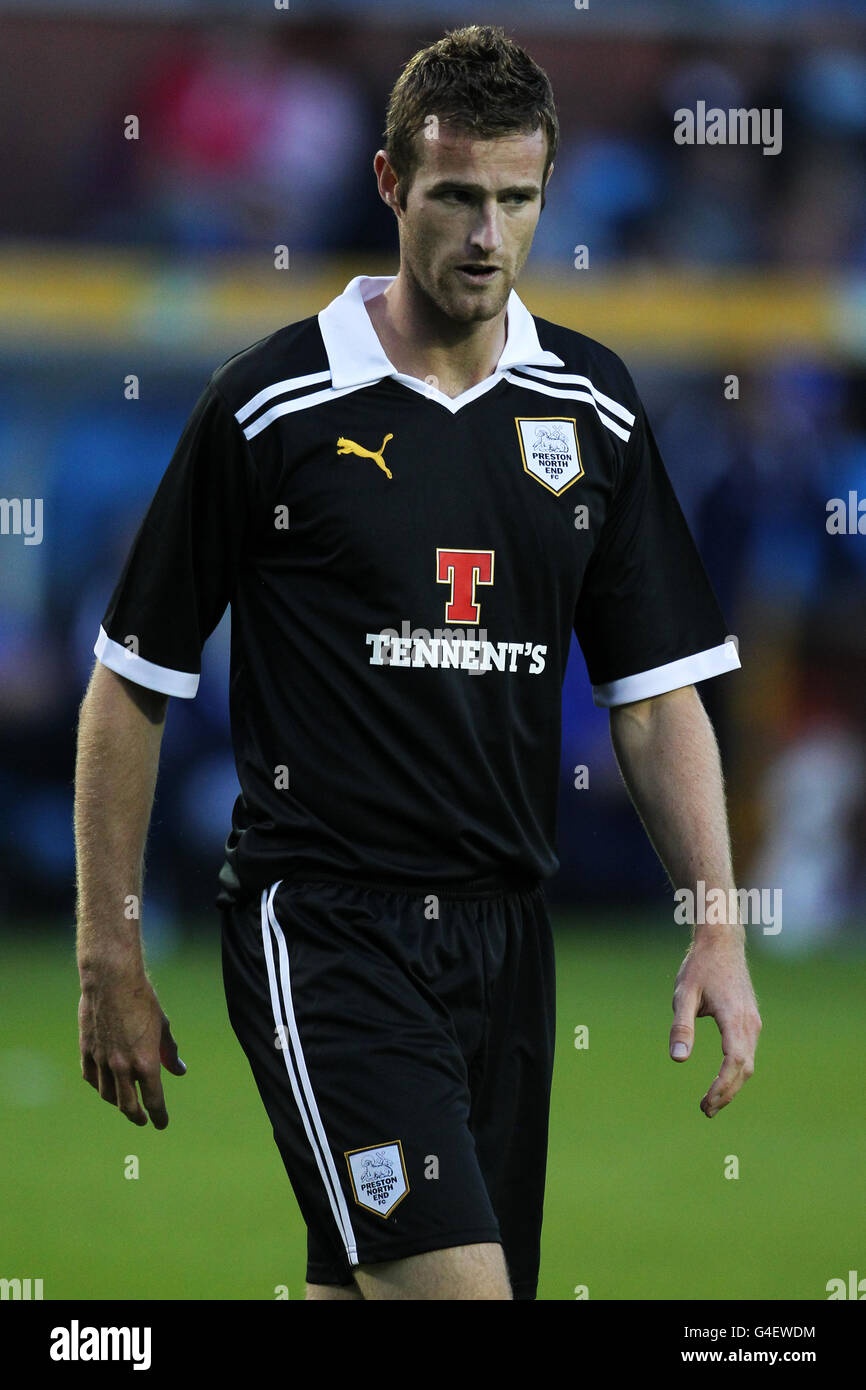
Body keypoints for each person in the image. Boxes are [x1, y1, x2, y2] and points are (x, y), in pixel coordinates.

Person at [74, 25, 761, 1302]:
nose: (487, 235)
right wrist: (108, 951)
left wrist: (716, 924)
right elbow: (130, 685)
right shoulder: (269, 407)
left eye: (516, 199)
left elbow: (657, 702)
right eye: (456, 197)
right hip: (325, 921)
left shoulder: (593, 412)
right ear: (391, 187)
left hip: (506, 942)